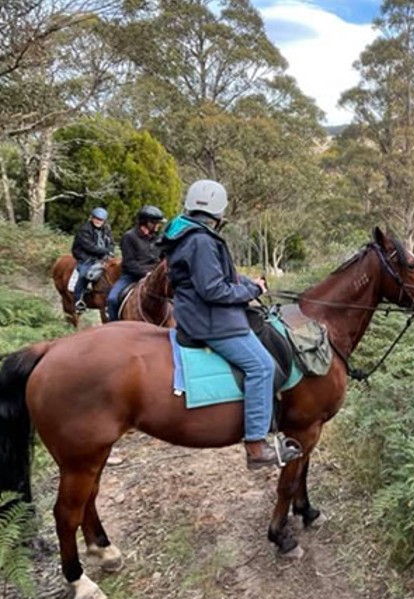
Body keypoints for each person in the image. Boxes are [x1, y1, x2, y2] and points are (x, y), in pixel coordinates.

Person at [161, 180, 296, 469]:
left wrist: (249, 283)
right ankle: (256, 447)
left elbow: (222, 277)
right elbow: (214, 290)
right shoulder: (202, 241)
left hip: (196, 311)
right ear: (218, 213)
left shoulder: (187, 233)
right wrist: (253, 292)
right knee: (262, 366)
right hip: (209, 320)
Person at [107, 205, 166, 321]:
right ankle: (113, 327)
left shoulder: (158, 238)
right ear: (147, 223)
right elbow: (129, 264)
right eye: (156, 223)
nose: (158, 226)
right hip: (131, 276)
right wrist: (147, 273)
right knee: (112, 299)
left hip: (154, 277)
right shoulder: (129, 237)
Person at [71, 207, 115, 312]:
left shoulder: (106, 229)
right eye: (96, 218)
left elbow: (111, 243)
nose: (98, 221)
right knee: (84, 274)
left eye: (100, 220)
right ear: (92, 218)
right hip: (86, 256)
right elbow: (89, 246)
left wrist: (110, 251)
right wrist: (105, 251)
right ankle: (78, 300)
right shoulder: (84, 229)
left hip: (102, 256)